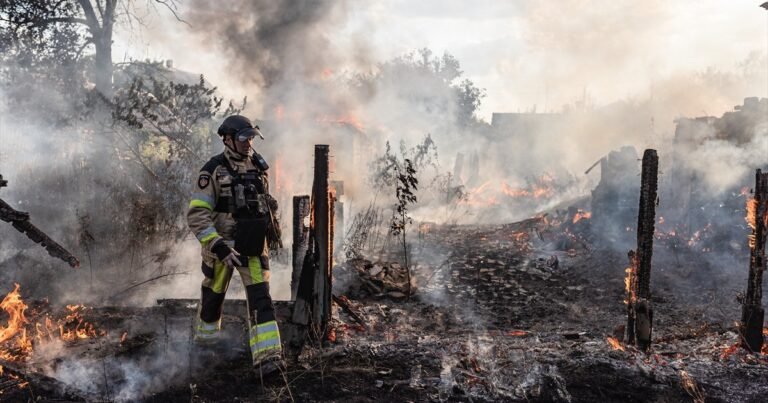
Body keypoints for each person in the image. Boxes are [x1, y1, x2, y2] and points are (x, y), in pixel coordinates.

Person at [187, 114, 284, 376]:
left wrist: (271, 219)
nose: (248, 143)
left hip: (253, 247)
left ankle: (268, 359)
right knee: (213, 297)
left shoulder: (257, 166)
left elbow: (261, 201)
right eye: (243, 138)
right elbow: (197, 214)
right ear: (227, 139)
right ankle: (204, 348)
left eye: (251, 137)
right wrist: (218, 246)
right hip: (222, 249)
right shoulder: (212, 170)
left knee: (261, 298)